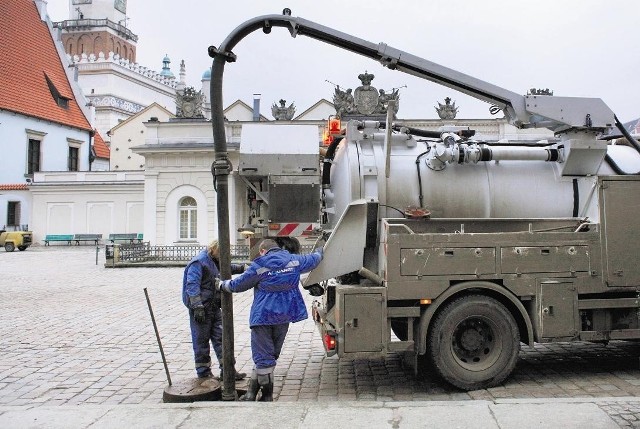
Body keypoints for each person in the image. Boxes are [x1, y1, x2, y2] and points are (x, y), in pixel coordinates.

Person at [215, 238, 323, 401]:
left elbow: (237, 285)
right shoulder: (294, 261)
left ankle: (266, 396)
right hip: (284, 315)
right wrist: (321, 250)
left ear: (263, 251)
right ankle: (252, 393)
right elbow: (314, 259)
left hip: (263, 317)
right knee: (270, 355)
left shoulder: (259, 266)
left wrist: (221, 285)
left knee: (264, 357)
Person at [182, 240, 246, 381]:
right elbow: (192, 285)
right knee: (201, 341)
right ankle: (204, 373)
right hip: (201, 310)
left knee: (222, 339)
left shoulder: (214, 260)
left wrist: (243, 268)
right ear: (214, 249)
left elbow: (226, 268)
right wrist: (197, 306)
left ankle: (228, 370)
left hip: (213, 307)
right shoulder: (199, 262)